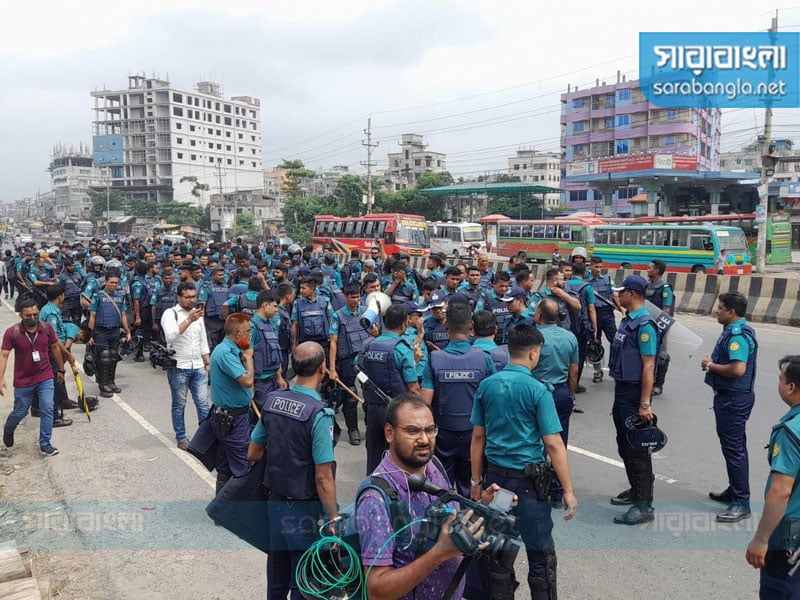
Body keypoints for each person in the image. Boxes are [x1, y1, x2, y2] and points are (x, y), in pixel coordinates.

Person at [470, 324, 578, 599]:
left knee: (499, 555)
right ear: (533, 353)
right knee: (541, 557)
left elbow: (478, 438)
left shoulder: (487, 385)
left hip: (497, 487)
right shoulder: (538, 390)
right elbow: (553, 444)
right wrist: (567, 490)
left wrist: (475, 482)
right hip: (529, 487)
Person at [357, 394, 497, 600]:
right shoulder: (375, 499)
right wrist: (440, 553)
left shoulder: (433, 466)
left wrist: (482, 505)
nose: (424, 440)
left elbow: (450, 519)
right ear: (389, 433)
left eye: (430, 430)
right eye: (412, 431)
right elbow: (376, 590)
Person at [248, 342, 338, 600]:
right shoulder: (320, 415)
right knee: (304, 582)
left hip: (274, 503)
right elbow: (323, 477)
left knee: (276, 578)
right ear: (322, 368)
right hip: (304, 510)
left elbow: (253, 452)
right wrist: (333, 519)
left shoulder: (273, 401)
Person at [420, 302, 495, 496]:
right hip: (475, 437)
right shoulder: (484, 359)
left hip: (443, 438)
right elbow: (494, 400)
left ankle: (443, 523)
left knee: (440, 489)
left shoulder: (434, 359)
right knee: (470, 489)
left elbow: (424, 404)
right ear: (471, 326)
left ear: (446, 326)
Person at [746, 355, 800, 598]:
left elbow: (781, 491)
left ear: (791, 387)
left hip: (791, 534)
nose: (777, 383)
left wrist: (761, 539)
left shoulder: (790, 431)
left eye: (780, 379)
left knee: (781, 587)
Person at [702, 291, 758, 523]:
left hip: (733, 399)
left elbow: (737, 370)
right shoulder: (734, 330)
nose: (717, 311)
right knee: (734, 448)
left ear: (731, 312)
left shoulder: (737, 335)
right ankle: (735, 490)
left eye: (720, 308)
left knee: (734, 450)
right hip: (731, 398)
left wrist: (711, 365)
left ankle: (741, 502)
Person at [608, 275, 659, 525]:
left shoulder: (645, 325)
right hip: (622, 391)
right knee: (624, 444)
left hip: (634, 394)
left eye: (622, 292)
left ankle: (644, 505)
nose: (619, 296)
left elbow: (649, 366)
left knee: (638, 450)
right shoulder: (629, 320)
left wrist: (645, 403)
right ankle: (635, 490)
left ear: (632, 294)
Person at [359, 304, 422, 474]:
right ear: (403, 325)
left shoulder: (368, 345)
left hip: (372, 409)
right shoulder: (402, 348)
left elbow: (358, 369)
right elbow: (413, 388)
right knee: (397, 455)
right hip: (396, 411)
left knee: (373, 453)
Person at [1, 298, 67, 456]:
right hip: (23, 380)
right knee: (20, 412)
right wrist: (1, 377)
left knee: (47, 408)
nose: (32, 318)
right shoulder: (13, 332)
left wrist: (61, 369)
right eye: (28, 315)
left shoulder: (47, 328)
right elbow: (4, 355)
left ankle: (45, 443)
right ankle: (8, 429)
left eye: (35, 314)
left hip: (45, 376)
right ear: (20, 315)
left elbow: (55, 348)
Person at [161, 281, 211, 451]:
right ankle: (181, 437)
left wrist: (207, 363)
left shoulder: (198, 315)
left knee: (203, 404)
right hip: (179, 367)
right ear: (179, 297)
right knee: (179, 404)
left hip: (198, 366)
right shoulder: (171, 314)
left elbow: (203, 340)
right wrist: (189, 320)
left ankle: (205, 438)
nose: (191, 300)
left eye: (193, 296)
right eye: (187, 297)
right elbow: (171, 336)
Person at [209, 312, 255, 493]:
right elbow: (247, 381)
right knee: (242, 465)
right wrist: (249, 359)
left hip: (230, 416)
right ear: (238, 333)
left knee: (226, 464)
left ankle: (220, 507)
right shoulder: (226, 353)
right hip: (233, 419)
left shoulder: (231, 350)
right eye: (248, 331)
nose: (250, 335)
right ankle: (238, 512)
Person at [329, 283, 376, 446]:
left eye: (358, 297)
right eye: (352, 297)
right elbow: (333, 343)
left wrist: (375, 334)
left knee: (370, 392)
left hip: (365, 360)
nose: (356, 300)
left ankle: (371, 427)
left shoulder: (366, 313)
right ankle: (353, 430)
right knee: (351, 397)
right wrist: (332, 369)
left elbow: (373, 333)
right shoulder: (338, 316)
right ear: (346, 297)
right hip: (347, 362)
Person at [533, 298, 579, 450]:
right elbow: (574, 372)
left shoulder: (533, 337)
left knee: (534, 436)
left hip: (536, 392)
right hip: (561, 392)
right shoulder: (570, 337)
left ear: (539, 315)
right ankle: (557, 470)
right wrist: (571, 395)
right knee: (559, 438)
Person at [87, 271, 131, 398]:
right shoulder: (98, 296)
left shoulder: (120, 296)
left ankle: (111, 382)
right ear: (106, 281)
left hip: (115, 331)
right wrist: (89, 335)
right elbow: (92, 316)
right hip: (101, 331)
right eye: (111, 282)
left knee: (113, 357)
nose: (114, 285)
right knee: (104, 358)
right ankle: (103, 384)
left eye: (116, 283)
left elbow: (123, 315)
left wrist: (128, 331)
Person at [38, 285, 78, 426]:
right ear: (60, 296)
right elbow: (53, 339)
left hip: (54, 351)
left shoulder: (50, 309)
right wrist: (67, 353)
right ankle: (54, 417)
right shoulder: (51, 313)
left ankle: (55, 410)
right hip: (52, 352)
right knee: (54, 383)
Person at [249, 289, 288, 413]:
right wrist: (250, 385)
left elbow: (275, 351)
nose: (277, 310)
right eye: (275, 306)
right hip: (260, 382)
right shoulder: (252, 327)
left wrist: (279, 377)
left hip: (273, 380)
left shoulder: (271, 325)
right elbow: (247, 357)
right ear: (265, 305)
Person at [587, 255, 620, 384]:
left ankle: (616, 368)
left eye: (601, 266)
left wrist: (621, 309)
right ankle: (597, 372)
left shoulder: (608, 279)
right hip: (593, 314)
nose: (599, 269)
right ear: (590, 266)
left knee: (616, 341)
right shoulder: (586, 281)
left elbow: (614, 295)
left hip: (607, 313)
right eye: (596, 267)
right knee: (595, 343)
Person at [645, 260, 674, 396]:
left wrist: (660, 328)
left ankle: (658, 384)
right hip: (646, 324)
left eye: (649, 267)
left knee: (661, 355)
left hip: (659, 325)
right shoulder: (647, 285)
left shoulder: (665, 288)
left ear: (656, 270)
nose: (647, 269)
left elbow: (666, 310)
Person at [199, 266, 229, 352]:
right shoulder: (206, 287)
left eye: (223, 275)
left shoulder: (227, 287)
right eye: (219, 275)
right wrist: (202, 321)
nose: (222, 277)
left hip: (224, 320)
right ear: (213, 275)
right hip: (211, 320)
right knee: (212, 344)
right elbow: (202, 305)